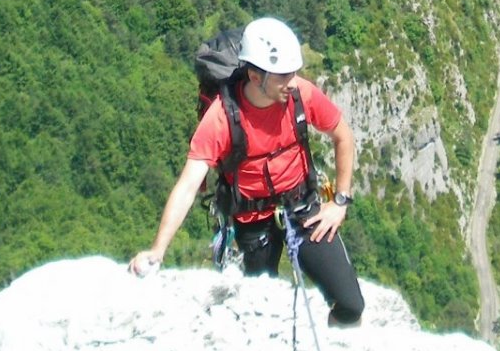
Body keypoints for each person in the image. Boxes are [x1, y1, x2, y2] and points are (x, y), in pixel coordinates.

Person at [130, 17, 364, 325]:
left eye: (293, 72)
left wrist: (340, 201)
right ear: (255, 75)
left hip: (303, 207)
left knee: (350, 305)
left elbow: (343, 135)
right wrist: (157, 250)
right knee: (260, 315)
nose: (291, 81)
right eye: (282, 76)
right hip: (252, 222)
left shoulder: (300, 94)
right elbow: (187, 186)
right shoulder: (222, 117)